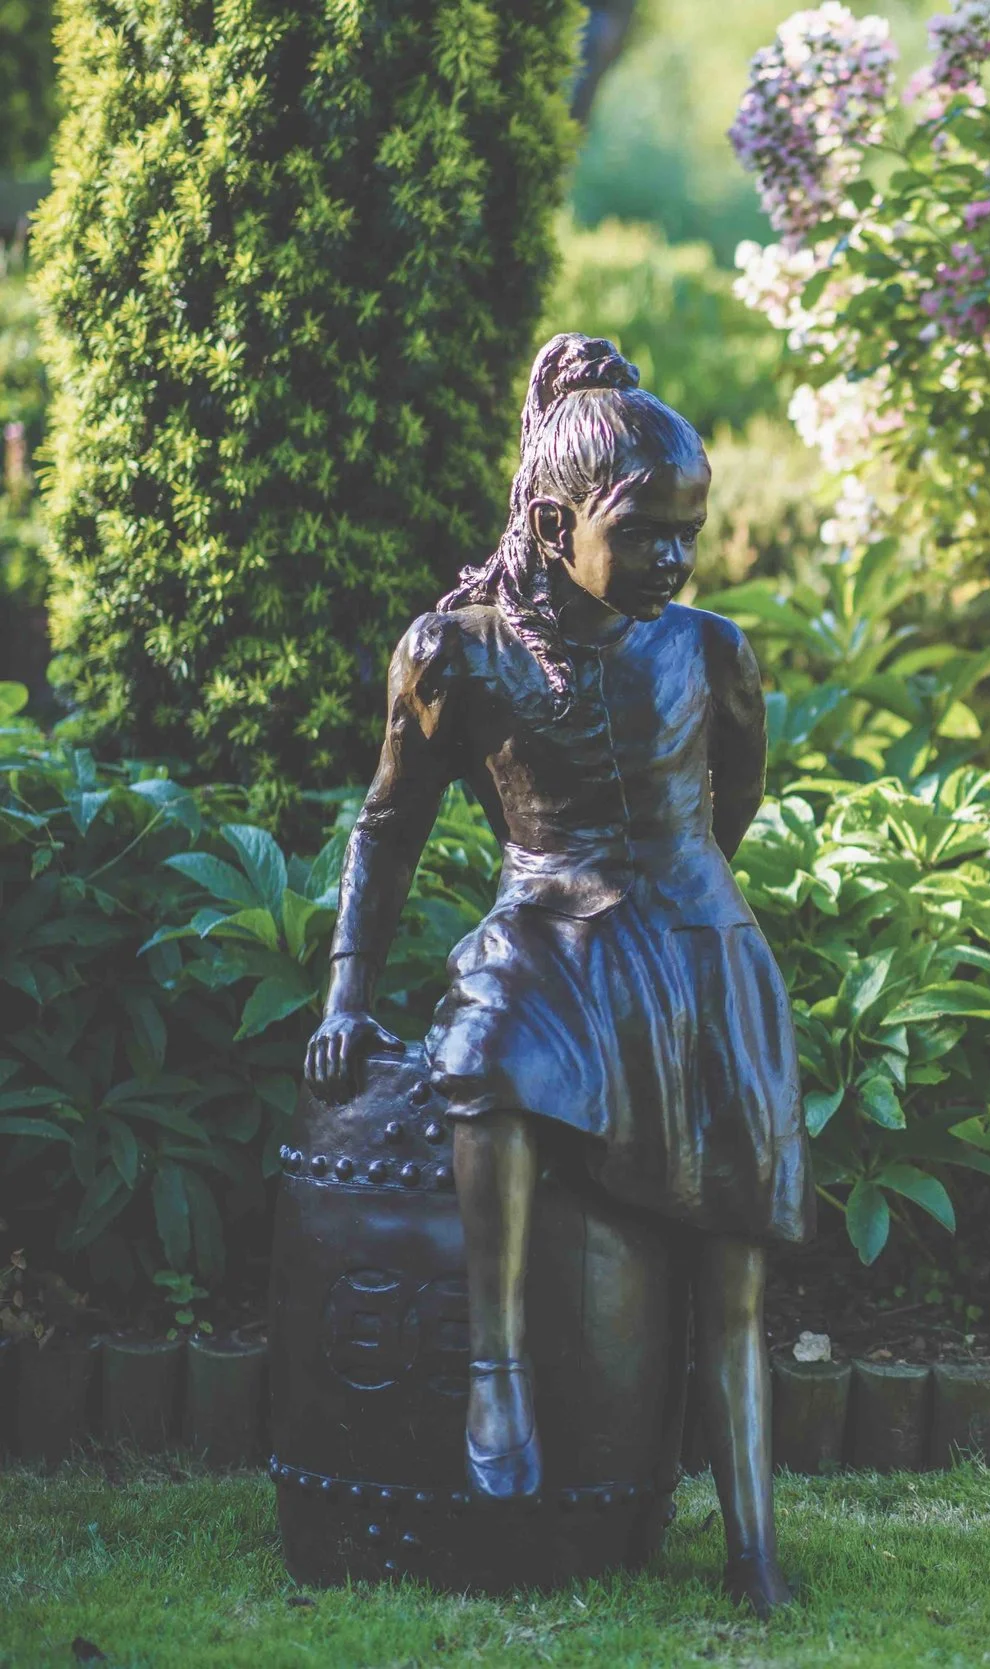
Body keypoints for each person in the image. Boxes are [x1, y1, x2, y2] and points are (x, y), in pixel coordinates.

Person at [303, 333, 809, 1615]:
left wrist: (687, 910)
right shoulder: (454, 650)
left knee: (734, 1265)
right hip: (546, 926)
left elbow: (731, 801)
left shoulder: (709, 651)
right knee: (484, 1050)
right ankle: (497, 1366)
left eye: (691, 532)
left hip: (700, 950)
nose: (677, 562)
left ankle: (753, 1540)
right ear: (550, 518)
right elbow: (388, 827)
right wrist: (348, 990)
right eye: (646, 534)